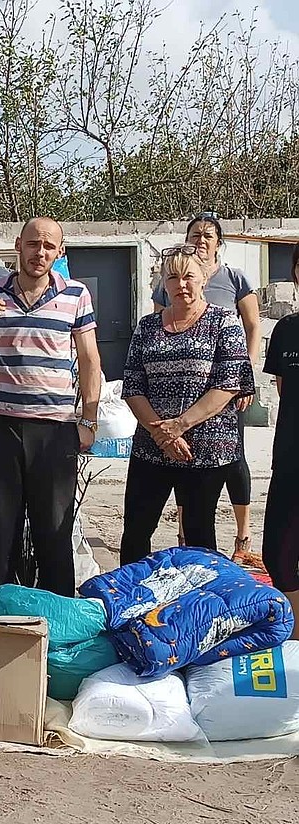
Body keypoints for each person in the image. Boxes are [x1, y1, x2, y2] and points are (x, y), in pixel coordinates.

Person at [0, 217, 102, 612]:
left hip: (56, 429)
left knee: (54, 532)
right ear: (18, 245)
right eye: (32, 244)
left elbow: (90, 360)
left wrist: (89, 420)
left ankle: (59, 618)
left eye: (48, 246)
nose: (39, 252)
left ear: (59, 252)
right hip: (2, 425)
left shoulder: (75, 295)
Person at [120, 246, 255, 564]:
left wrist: (179, 426)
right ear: (163, 284)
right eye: (173, 277)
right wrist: (161, 434)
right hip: (151, 447)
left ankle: (199, 608)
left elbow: (228, 384)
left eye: (189, 276)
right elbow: (133, 386)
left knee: (199, 536)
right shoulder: (147, 327)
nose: (181, 284)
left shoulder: (225, 322)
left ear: (204, 278)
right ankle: (128, 604)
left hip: (205, 450)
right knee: (136, 531)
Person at [152, 213, 261, 559]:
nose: (201, 239)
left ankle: (242, 537)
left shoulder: (234, 278)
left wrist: (246, 374)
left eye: (208, 235)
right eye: (195, 233)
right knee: (182, 463)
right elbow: (158, 326)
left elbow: (253, 325)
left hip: (224, 389)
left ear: (218, 242)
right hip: (177, 391)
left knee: (233, 461)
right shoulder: (169, 277)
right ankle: (187, 536)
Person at [262, 242, 299, 637]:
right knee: (278, 552)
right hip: (290, 454)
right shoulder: (287, 330)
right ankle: (294, 643)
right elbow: (285, 390)